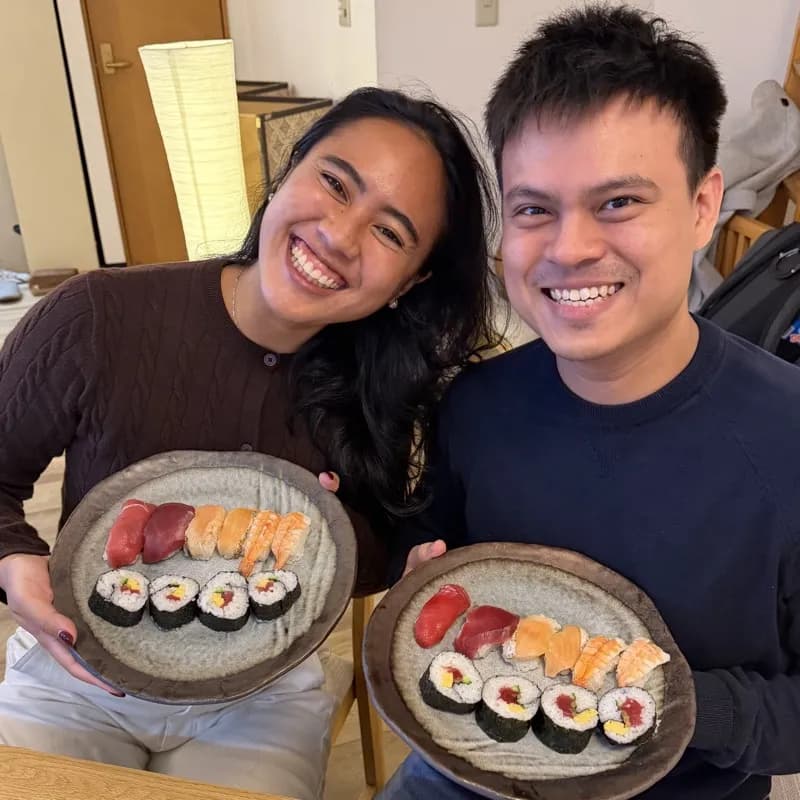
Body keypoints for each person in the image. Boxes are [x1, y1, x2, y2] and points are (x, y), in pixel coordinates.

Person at [0, 87, 500, 800]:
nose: (339, 236)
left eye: (390, 233)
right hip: (79, 667)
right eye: (333, 182)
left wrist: (355, 541)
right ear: (286, 169)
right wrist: (15, 560)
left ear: (410, 282)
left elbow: (375, 553)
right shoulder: (97, 316)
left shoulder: (384, 384)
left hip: (262, 696)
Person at [379, 6, 800, 800]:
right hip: (464, 773)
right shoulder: (474, 404)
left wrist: (674, 705)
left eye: (618, 203)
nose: (569, 249)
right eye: (534, 208)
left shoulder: (788, 438)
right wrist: (416, 577)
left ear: (704, 206)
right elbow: (432, 545)